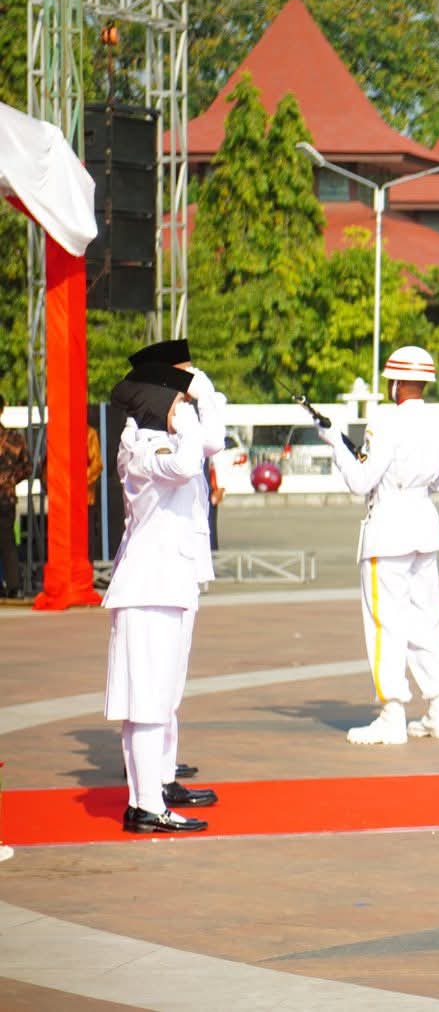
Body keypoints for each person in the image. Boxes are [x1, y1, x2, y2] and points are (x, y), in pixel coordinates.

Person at [321, 346, 439, 745]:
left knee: (386, 624)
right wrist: (419, 487)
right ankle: (438, 710)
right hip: (423, 525)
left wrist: (335, 443)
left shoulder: (384, 423)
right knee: (426, 620)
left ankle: (392, 713)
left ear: (397, 383)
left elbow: (359, 481)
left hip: (387, 530)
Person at [102, 360, 207, 833]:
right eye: (177, 401)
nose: (184, 409)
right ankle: (147, 804)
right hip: (149, 586)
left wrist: (186, 411)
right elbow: (187, 463)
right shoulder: (144, 450)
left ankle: (143, 801)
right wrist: (182, 416)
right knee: (146, 701)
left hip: (159, 585)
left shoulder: (147, 445)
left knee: (152, 699)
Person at [124, 338, 228, 804]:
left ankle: (163, 774)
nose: (189, 390)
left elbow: (210, 442)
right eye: (182, 381)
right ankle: (152, 789)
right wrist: (196, 404)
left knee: (170, 682)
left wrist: (201, 399)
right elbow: (196, 454)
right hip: (154, 577)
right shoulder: (144, 445)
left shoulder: (166, 438)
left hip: (179, 572)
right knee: (154, 686)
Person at [0, 395, 30, 598]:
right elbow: (27, 467)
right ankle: (13, 586)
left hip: (6, 496)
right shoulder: (14, 438)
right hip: (7, 497)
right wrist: (10, 480)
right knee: (7, 542)